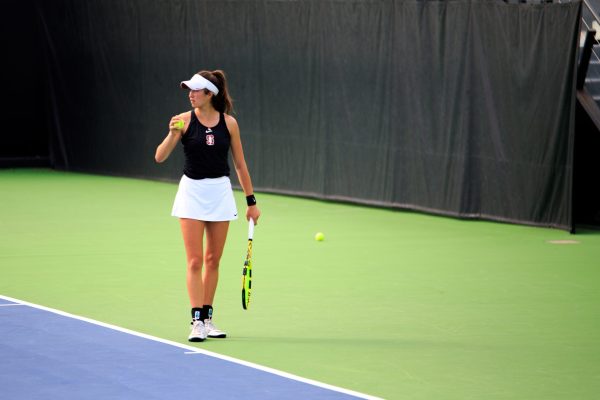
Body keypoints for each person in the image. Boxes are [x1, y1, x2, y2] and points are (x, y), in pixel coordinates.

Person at [155, 70, 261, 342]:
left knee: (213, 260)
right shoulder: (182, 121)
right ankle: (196, 321)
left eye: (196, 90)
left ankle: (208, 317)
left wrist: (252, 203)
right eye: (188, 90)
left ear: (210, 94)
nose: (190, 94)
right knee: (195, 261)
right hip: (191, 192)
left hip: (220, 193)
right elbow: (160, 156)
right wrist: (170, 134)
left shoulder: (230, 124)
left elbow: (240, 164)